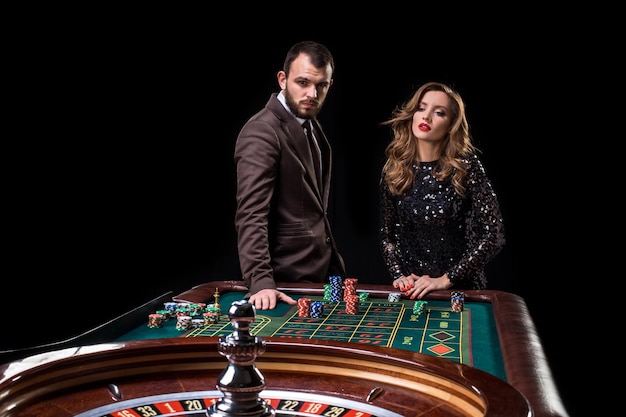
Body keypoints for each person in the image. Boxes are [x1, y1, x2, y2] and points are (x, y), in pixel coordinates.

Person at [234, 40, 346, 310]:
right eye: (303, 82)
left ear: (330, 85)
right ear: (283, 79)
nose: (312, 94)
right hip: (284, 284)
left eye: (321, 86)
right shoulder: (262, 132)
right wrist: (261, 282)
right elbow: (251, 214)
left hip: (321, 276)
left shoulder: (312, 125)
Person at [379, 81, 505, 300]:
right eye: (421, 108)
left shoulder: (465, 166)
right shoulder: (395, 168)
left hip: (462, 291)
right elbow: (387, 237)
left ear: (451, 126)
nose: (426, 117)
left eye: (439, 113)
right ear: (412, 114)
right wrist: (399, 275)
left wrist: (446, 279)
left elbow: (494, 236)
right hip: (413, 292)